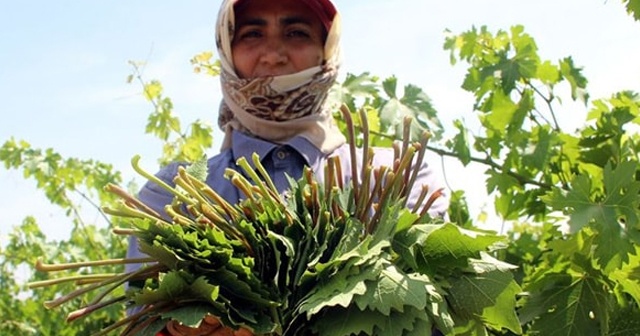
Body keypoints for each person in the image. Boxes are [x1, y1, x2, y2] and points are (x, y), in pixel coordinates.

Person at [126, 0, 449, 335]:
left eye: (296, 33)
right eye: (252, 34)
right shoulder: (172, 195)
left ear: (327, 49)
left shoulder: (398, 175)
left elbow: (430, 312)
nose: (274, 54)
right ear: (227, 48)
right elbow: (143, 322)